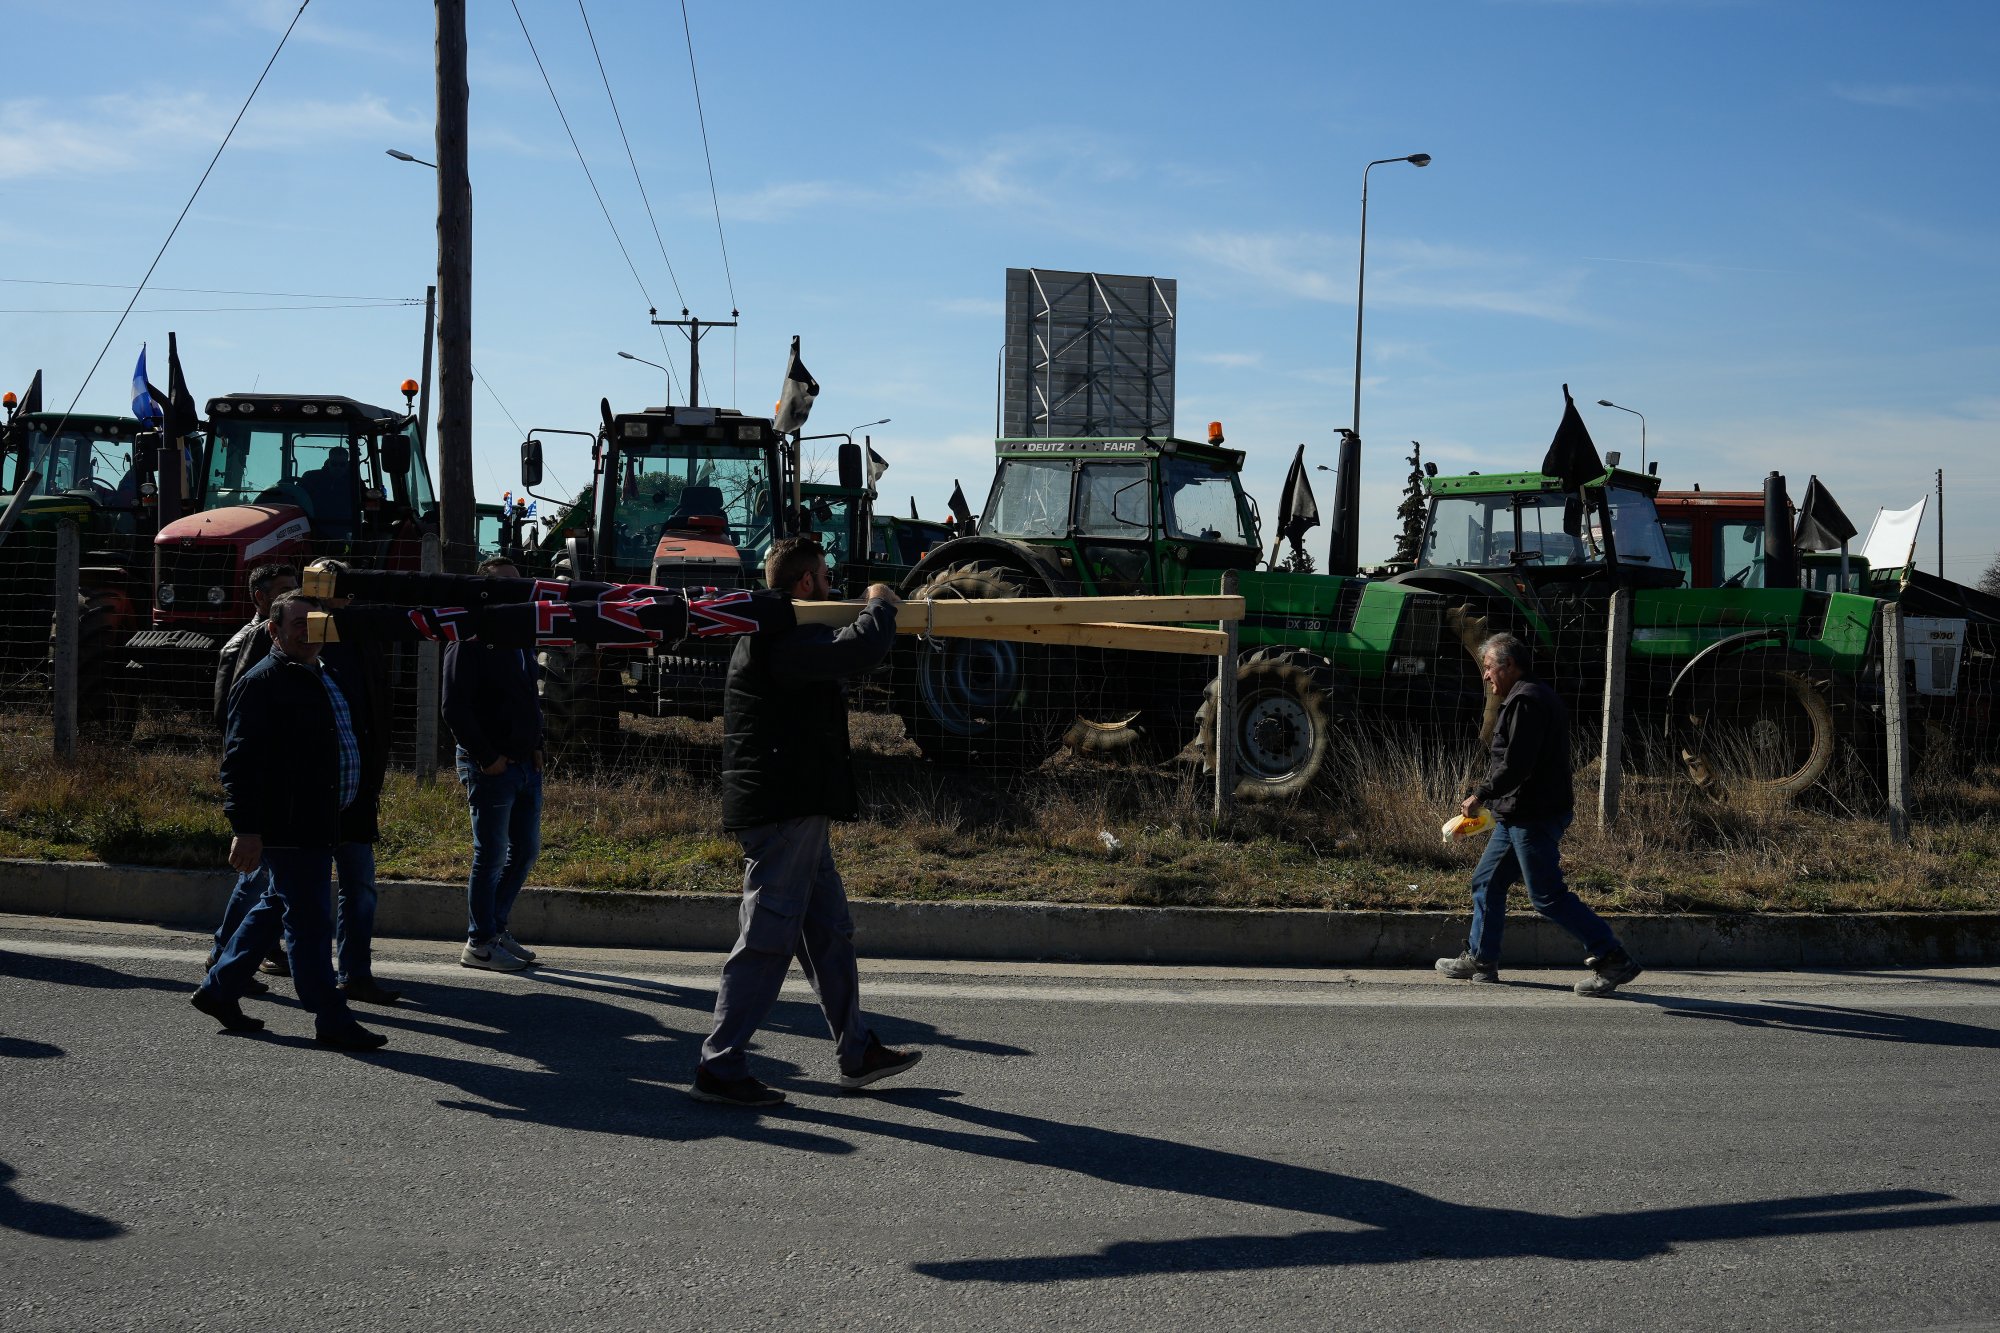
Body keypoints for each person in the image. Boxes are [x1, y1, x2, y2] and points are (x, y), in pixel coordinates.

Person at [691, 536, 922, 1108]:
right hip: (784, 810)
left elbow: (839, 650)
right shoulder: (778, 636)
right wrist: (881, 601)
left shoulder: (780, 626)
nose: (830, 584)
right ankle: (720, 1065)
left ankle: (857, 1051)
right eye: (823, 576)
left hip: (799, 806)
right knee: (767, 937)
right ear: (803, 584)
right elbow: (856, 651)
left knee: (829, 932)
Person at [191, 591, 388, 1051]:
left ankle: (219, 989)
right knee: (310, 923)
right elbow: (239, 762)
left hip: (331, 818)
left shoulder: (329, 674)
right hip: (291, 824)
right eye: (296, 622)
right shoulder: (262, 683)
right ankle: (330, 1015)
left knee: (278, 905)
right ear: (273, 630)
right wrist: (246, 828)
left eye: (314, 621)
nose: (307, 629)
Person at [1435, 633, 1643, 998]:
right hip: (1519, 812)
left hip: (1533, 815)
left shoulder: (1526, 702)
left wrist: (1480, 795)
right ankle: (1481, 959)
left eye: (1488, 667)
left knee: (1547, 896)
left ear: (1509, 665)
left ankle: (1613, 957)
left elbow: (1517, 764)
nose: (1485, 676)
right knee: (1487, 881)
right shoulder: (1531, 695)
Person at [442, 556, 543, 973]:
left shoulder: (520, 635)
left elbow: (528, 695)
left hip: (525, 766)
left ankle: (496, 929)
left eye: (517, 586)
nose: (512, 594)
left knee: (525, 851)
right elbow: (453, 708)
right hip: (492, 768)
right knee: (492, 855)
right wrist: (489, 758)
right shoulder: (467, 639)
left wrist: (537, 745)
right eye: (503, 586)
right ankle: (480, 942)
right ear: (483, 590)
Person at [204, 562, 299, 986]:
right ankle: (225, 956)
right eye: (282, 590)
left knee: (269, 876)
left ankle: (255, 947)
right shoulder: (254, 639)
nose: (292, 596)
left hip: (278, 776)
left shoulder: (287, 636)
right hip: (262, 777)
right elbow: (231, 716)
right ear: (260, 598)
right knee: (257, 873)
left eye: (294, 588)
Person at [316, 560, 400, 1006]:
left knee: (359, 884)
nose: (342, 593)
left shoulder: (362, 633)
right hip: (310, 792)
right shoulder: (300, 632)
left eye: (345, 584)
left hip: (359, 784)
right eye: (331, 584)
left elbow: (375, 708)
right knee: (281, 891)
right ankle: (233, 962)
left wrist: (374, 774)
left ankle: (355, 974)